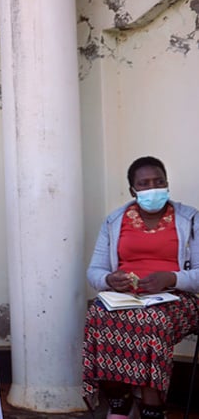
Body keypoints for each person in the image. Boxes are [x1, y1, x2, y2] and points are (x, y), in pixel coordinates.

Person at [82, 156, 199, 419]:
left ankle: (152, 404)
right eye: (144, 184)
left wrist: (171, 278)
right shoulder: (114, 221)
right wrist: (110, 280)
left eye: (159, 181)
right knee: (98, 315)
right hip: (128, 298)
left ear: (168, 183)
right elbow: (95, 271)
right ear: (133, 190)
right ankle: (118, 400)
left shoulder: (189, 219)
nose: (153, 188)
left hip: (176, 298)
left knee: (151, 320)